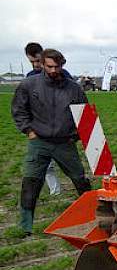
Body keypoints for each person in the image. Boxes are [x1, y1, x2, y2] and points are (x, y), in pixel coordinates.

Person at [10, 49, 92, 234]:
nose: (54, 70)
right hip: (39, 141)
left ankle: (94, 213)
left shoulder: (74, 88)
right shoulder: (29, 85)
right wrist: (28, 131)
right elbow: (18, 109)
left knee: (80, 179)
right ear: (42, 65)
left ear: (62, 65)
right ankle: (25, 226)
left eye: (57, 66)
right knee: (31, 182)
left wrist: (76, 136)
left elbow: (85, 116)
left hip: (65, 143)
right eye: (50, 66)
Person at [25, 42, 64, 196]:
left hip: (60, 127)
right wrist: (29, 129)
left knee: (68, 161)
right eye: (31, 62)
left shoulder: (62, 75)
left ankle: (82, 187)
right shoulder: (30, 78)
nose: (35, 64)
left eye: (37, 61)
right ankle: (55, 191)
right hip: (39, 127)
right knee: (44, 163)